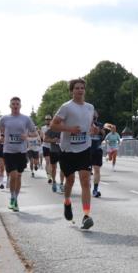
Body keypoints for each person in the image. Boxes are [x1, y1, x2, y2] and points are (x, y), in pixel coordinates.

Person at [50, 78, 96, 230]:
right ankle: (67, 202)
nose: (80, 90)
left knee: (85, 181)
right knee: (69, 181)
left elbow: (89, 125)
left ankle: (86, 215)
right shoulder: (66, 107)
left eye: (82, 87)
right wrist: (70, 130)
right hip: (68, 150)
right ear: (72, 91)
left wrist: (93, 129)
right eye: (76, 88)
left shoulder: (90, 107)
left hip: (84, 148)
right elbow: (53, 125)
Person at [0, 97, 37, 212]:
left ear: (20, 106)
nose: (15, 106)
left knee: (19, 176)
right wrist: (0, 136)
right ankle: (12, 198)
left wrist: (27, 137)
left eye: (17, 104)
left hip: (21, 151)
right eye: (13, 104)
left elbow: (35, 133)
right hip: (8, 151)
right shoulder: (5, 118)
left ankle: (15, 199)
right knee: (13, 175)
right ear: (10, 106)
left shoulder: (26, 119)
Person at [89, 116, 104, 197]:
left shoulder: (100, 125)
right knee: (87, 171)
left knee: (97, 170)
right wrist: (90, 132)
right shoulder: (85, 124)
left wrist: (100, 131)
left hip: (97, 150)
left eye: (95, 118)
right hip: (87, 150)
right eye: (92, 118)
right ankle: (87, 186)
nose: (94, 119)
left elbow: (103, 135)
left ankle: (95, 189)